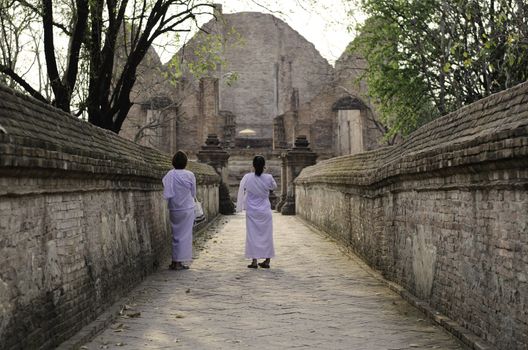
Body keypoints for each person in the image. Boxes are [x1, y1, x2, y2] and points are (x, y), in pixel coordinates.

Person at [236, 155, 277, 268]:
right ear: (264, 166)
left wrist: (240, 206)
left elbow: (241, 190)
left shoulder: (247, 177)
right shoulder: (268, 177)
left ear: (253, 165)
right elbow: (274, 187)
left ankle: (254, 261)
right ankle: (267, 260)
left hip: (252, 211)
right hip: (265, 211)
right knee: (267, 235)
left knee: (252, 235)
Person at [162, 151, 196, 270]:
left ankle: (175, 261)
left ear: (173, 162)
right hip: (187, 208)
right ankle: (179, 261)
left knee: (176, 235)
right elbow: (193, 192)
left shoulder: (170, 174)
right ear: (185, 163)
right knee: (185, 235)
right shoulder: (190, 175)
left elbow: (166, 187)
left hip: (174, 207)